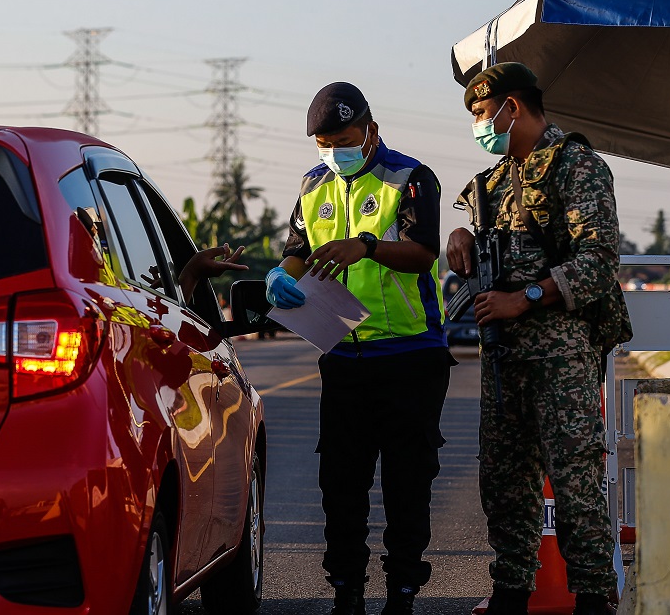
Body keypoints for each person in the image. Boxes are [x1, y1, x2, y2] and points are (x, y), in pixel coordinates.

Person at [446, 62, 631, 615]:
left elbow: (598, 263)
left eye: (482, 113)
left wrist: (522, 300)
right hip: (504, 357)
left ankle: (595, 598)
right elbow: (493, 259)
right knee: (503, 483)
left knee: (574, 484)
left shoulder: (578, 167)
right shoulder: (492, 184)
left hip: (562, 356)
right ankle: (510, 593)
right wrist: (461, 240)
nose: (480, 126)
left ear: (513, 107)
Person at [265, 82, 453, 615]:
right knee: (340, 483)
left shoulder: (410, 179)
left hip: (410, 353)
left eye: (343, 139)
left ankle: (403, 590)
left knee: (405, 482)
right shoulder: (314, 183)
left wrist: (365, 246)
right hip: (342, 354)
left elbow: (422, 253)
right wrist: (281, 275)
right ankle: (346, 589)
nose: (332, 152)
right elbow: (298, 249)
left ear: (370, 130)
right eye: (323, 143)